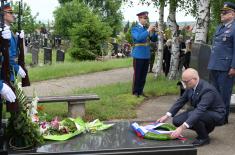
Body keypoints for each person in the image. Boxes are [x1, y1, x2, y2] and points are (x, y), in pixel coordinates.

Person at [157, 68, 225, 147]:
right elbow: (181, 100)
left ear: (195, 79)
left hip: (216, 114)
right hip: (202, 112)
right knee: (177, 120)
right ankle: (205, 129)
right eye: (183, 81)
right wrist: (167, 115)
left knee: (193, 115)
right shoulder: (191, 85)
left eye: (186, 81)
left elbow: (200, 110)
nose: (185, 84)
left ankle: (204, 138)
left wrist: (181, 128)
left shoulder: (207, 90)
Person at [207, 2, 235, 124]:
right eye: (221, 12)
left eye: (225, 12)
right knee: (214, 93)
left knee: (224, 93)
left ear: (233, 14)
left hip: (226, 67)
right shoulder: (220, 27)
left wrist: (233, 67)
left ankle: (222, 118)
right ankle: (215, 116)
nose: (222, 14)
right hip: (214, 65)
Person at [131, 11, 158, 97]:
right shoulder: (135, 29)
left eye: (147, 18)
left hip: (146, 55)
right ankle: (135, 92)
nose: (146, 20)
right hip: (138, 54)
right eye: (144, 18)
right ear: (139, 18)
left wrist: (155, 32)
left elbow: (153, 39)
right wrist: (148, 30)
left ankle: (141, 91)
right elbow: (139, 38)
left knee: (143, 75)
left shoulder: (146, 29)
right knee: (138, 74)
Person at [3, 3, 26, 81]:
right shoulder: (2, 32)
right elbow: (2, 55)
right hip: (5, 73)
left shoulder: (9, 31)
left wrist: (19, 39)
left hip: (12, 72)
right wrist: (16, 67)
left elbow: (13, 49)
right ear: (4, 14)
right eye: (11, 13)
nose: (13, 15)